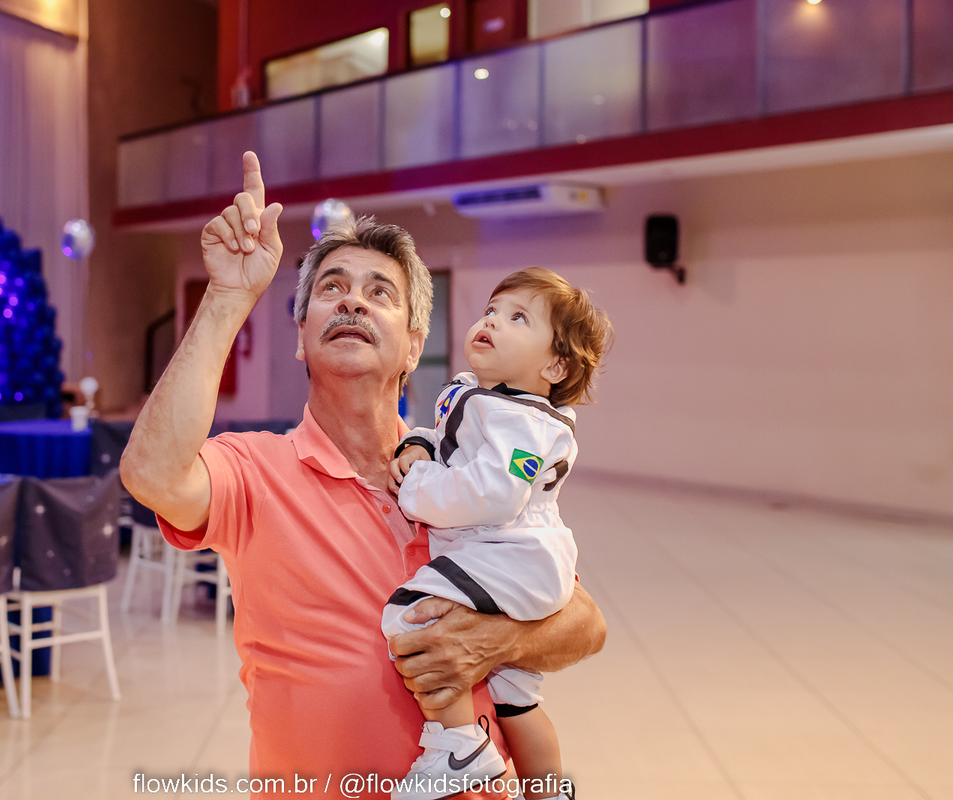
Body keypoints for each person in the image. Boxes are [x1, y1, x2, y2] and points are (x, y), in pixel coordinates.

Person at [120, 152, 607, 798]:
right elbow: (152, 474)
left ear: (413, 345)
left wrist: (493, 641)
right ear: (301, 336)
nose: (352, 299)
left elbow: (586, 624)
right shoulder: (257, 471)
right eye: (331, 288)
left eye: (380, 293)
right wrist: (227, 297)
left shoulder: (460, 464)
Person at [382, 268, 612, 800]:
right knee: (515, 699)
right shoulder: (481, 395)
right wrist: (417, 444)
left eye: (518, 318)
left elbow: (496, 494)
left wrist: (417, 485)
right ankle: (548, 791)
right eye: (492, 310)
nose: (492, 322)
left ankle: (458, 747)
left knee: (411, 617)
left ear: (554, 366)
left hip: (513, 554)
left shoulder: (525, 424)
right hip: (511, 554)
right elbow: (450, 440)